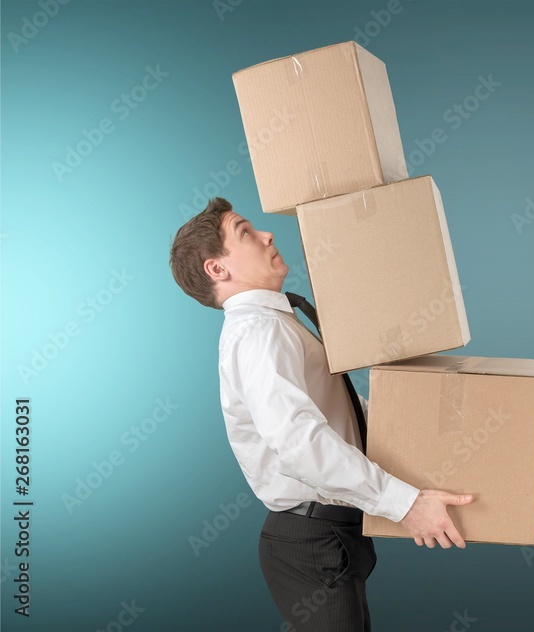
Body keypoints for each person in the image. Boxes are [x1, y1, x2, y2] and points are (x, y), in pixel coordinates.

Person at [168, 197, 473, 631]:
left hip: (330, 535)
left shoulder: (277, 323)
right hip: (310, 541)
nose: (267, 235)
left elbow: (338, 416)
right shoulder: (258, 333)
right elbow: (298, 443)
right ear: (217, 269)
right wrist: (404, 504)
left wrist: (423, 431)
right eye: (245, 232)